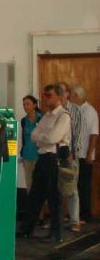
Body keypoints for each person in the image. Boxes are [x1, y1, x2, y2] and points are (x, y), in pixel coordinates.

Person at [20, 83, 71, 241]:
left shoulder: (63, 116)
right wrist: (45, 137)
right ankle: (26, 230)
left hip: (53, 159)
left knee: (54, 198)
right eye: (44, 95)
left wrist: (43, 137)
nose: (46, 98)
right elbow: (33, 135)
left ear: (59, 96)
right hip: (42, 157)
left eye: (49, 95)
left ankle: (56, 234)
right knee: (35, 195)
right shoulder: (47, 116)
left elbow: (53, 137)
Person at [71, 85, 98, 230]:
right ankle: (75, 214)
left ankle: (85, 215)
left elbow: (94, 133)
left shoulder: (90, 111)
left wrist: (89, 153)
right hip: (75, 154)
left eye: (72, 95)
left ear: (77, 96)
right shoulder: (74, 110)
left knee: (84, 185)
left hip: (85, 154)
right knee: (74, 185)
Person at [57, 82, 83, 231]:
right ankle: (58, 220)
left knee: (72, 189)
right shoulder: (55, 110)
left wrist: (73, 154)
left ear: (68, 93)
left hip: (70, 155)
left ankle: (75, 220)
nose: (60, 93)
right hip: (56, 155)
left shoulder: (75, 110)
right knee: (57, 189)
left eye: (62, 91)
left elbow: (78, 133)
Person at [19, 95, 43, 193]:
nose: (25, 107)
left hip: (39, 155)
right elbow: (23, 138)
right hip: (27, 154)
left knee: (40, 182)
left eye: (28, 104)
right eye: (24, 104)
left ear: (34, 105)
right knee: (29, 182)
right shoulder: (23, 121)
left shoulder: (42, 118)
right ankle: (30, 201)